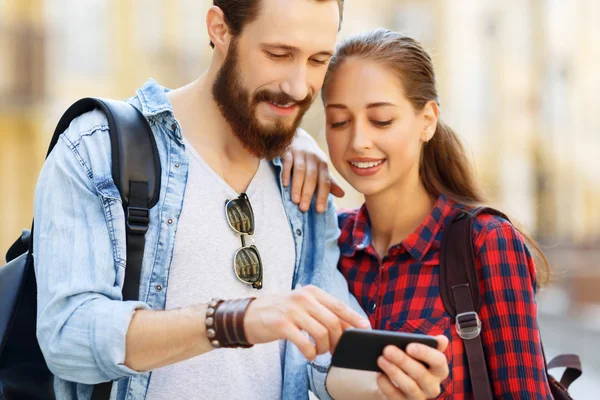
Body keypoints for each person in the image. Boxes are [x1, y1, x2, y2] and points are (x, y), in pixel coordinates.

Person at [33, 1, 449, 399]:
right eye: (278, 53)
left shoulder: (301, 183)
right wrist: (232, 321)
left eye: (318, 60)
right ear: (220, 29)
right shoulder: (97, 150)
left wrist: (384, 384)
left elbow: (322, 357)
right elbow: (67, 336)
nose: (298, 86)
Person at [315, 28, 554, 399]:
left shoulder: (485, 243)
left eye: (380, 120)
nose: (358, 139)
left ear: (427, 120)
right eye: (339, 121)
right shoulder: (329, 244)